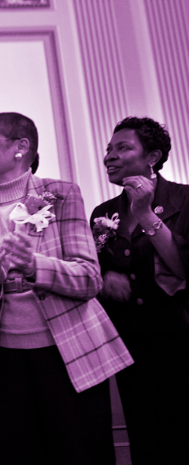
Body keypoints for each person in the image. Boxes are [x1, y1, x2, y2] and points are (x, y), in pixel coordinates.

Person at [0, 112, 133, 464]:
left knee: (80, 453)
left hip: (69, 354)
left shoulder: (62, 194)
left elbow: (89, 278)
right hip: (2, 363)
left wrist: (34, 265)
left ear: (21, 147)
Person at [91, 117, 189, 464]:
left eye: (123, 148)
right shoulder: (103, 212)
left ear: (153, 156)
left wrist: (145, 213)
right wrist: (104, 280)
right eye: (109, 149)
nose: (109, 156)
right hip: (129, 344)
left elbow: (183, 267)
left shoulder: (184, 198)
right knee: (145, 437)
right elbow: (93, 269)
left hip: (179, 339)